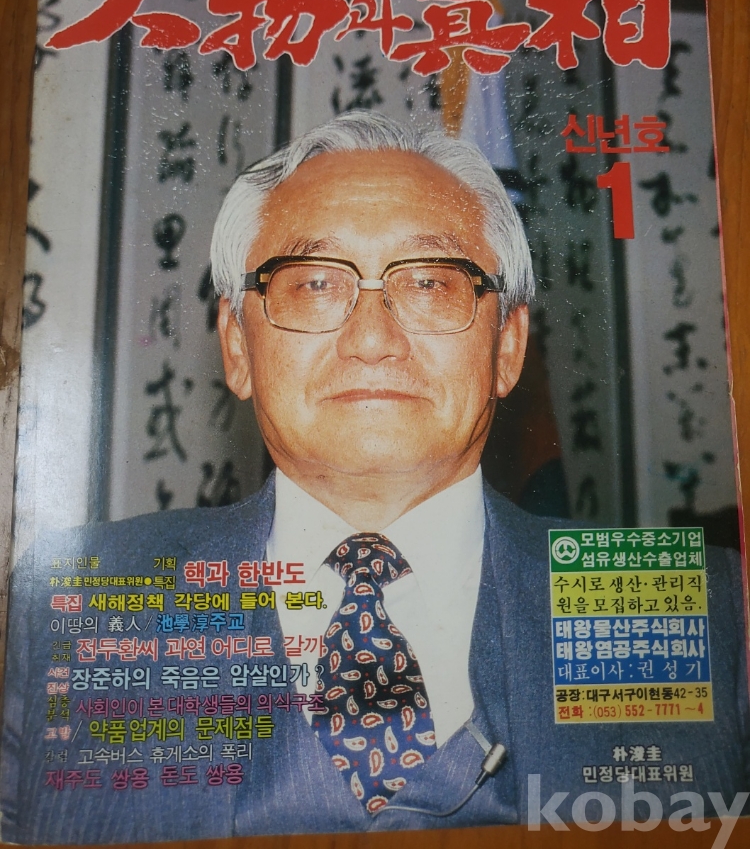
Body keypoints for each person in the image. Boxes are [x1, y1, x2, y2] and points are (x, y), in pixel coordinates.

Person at [1, 112, 748, 843]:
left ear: (508, 347)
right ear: (236, 346)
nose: (371, 339)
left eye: (429, 283)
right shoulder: (73, 608)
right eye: (313, 284)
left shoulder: (706, 612)